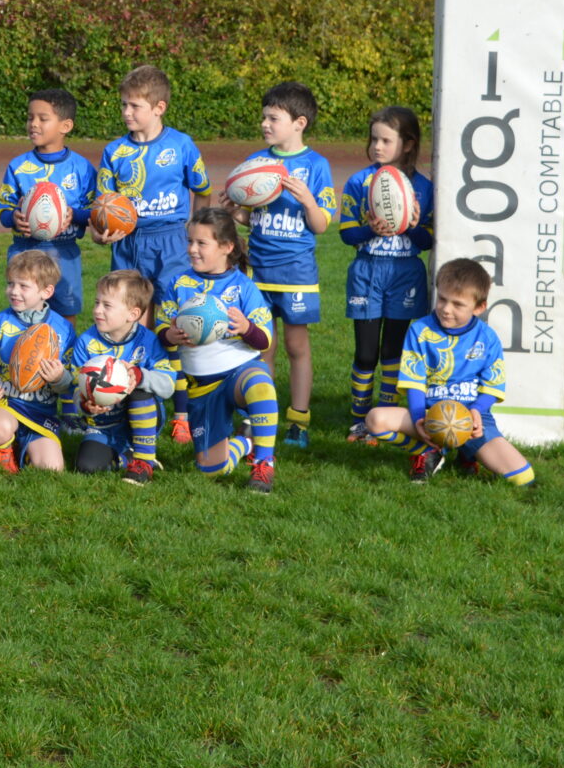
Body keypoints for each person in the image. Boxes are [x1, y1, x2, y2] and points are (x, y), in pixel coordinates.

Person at [365, 259, 534, 486]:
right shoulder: (420, 330)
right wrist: (419, 419)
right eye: (442, 299)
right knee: (375, 420)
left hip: (472, 420)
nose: (446, 309)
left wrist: (476, 411)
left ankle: (468, 452)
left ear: (479, 307)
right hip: (429, 413)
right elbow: (414, 383)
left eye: (458, 304)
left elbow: (492, 387)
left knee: (523, 477)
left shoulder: (488, 338)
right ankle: (428, 450)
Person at [233, 82, 337, 449]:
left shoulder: (316, 166)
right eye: (264, 117)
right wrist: (235, 211)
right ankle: (258, 418)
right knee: (262, 347)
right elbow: (250, 218)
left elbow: (320, 225)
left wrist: (308, 201)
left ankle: (298, 420)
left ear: (299, 123)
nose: (265, 123)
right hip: (258, 272)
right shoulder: (257, 163)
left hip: (296, 274)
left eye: (273, 118)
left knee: (296, 346)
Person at [157, 210, 280, 492]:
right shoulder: (178, 284)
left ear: (226, 247)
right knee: (212, 469)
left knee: (261, 385)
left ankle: (264, 463)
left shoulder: (244, 287)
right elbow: (161, 331)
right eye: (190, 241)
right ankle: (246, 440)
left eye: (201, 243)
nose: (192, 249)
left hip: (240, 371)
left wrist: (246, 327)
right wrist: (170, 335)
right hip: (202, 386)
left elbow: (265, 341)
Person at [339, 106, 437, 440]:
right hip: (367, 271)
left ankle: (384, 415)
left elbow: (427, 241)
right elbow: (346, 234)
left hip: (405, 274)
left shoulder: (424, 188)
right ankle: (359, 418)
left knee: (393, 352)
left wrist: (411, 226)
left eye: (385, 140)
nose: (377, 146)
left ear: (407, 144)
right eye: (373, 139)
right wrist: (370, 230)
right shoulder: (359, 182)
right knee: (366, 353)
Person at [95, 64, 211, 297]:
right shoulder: (114, 151)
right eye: (124, 104)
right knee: (129, 308)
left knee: (172, 307)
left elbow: (202, 191)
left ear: (159, 108)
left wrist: (195, 232)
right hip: (127, 241)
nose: (126, 112)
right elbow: (102, 204)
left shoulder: (181, 145)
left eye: (135, 106)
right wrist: (98, 235)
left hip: (171, 241)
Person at [0, 88, 96, 320]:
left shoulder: (81, 168)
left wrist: (74, 215)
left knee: (65, 314)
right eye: (30, 117)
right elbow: (3, 210)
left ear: (65, 126)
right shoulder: (18, 166)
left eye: (43, 118)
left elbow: (93, 212)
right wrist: (14, 217)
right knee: (24, 313)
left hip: (64, 252)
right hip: (25, 251)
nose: (33, 124)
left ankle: (65, 346)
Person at [66, 270, 172, 485]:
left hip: (143, 419)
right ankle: (127, 457)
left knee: (138, 387)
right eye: (97, 302)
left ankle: (143, 461)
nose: (97, 310)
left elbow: (168, 386)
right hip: (103, 425)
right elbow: (76, 388)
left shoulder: (149, 342)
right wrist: (85, 405)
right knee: (86, 466)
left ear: (132, 314)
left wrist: (140, 376)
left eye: (107, 305)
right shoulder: (86, 342)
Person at [0, 248, 78, 474]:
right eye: (10, 284)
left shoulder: (63, 329)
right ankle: (4, 449)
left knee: (51, 468)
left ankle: (22, 446)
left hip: (41, 410)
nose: (14, 291)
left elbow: (70, 383)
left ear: (46, 291)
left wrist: (59, 378)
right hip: (6, 404)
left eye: (23, 286)